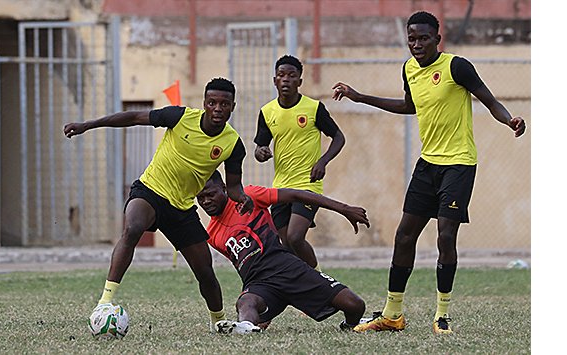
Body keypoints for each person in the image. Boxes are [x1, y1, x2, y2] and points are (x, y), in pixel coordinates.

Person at [332, 11, 526, 334]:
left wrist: (509, 120)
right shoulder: (409, 69)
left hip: (459, 163)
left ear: (438, 38)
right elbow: (411, 106)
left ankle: (442, 316)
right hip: (428, 163)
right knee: (404, 235)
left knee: (445, 235)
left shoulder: (456, 67)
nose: (417, 44)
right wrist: (360, 96)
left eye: (424, 38)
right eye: (412, 38)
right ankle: (393, 314)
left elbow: (488, 100)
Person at [63, 77, 255, 332]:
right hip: (150, 190)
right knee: (132, 228)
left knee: (205, 271)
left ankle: (218, 321)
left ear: (233, 106)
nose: (218, 108)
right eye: (212, 102)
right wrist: (88, 125)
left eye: (224, 104)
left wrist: (242, 198)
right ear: (205, 104)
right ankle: (104, 303)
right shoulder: (179, 117)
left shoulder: (233, 144)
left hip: (182, 208)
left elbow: (233, 187)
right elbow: (133, 118)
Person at [196, 170, 370, 334]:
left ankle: (349, 325)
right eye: (200, 197)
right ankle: (246, 327)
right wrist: (261, 308)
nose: (206, 201)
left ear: (224, 189)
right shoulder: (211, 234)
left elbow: (296, 195)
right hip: (260, 283)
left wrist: (344, 209)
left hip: (288, 268)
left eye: (210, 194)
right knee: (245, 302)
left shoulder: (249, 196)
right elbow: (242, 263)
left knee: (355, 305)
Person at [254, 55, 346, 271]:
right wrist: (262, 152)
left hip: (308, 184)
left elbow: (339, 137)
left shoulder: (314, 108)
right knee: (286, 244)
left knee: (296, 237)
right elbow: (259, 148)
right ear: (274, 80)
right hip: (281, 186)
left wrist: (323, 161)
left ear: (299, 82)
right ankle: (304, 285)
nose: (286, 79)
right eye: (281, 75)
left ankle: (319, 277)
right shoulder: (267, 112)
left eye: (291, 75)